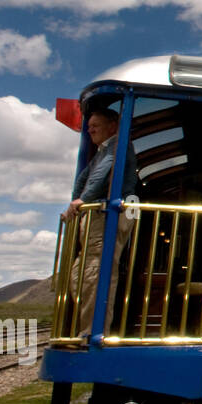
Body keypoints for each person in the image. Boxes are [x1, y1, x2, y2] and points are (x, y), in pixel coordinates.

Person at [62, 108, 138, 337]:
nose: (90, 129)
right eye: (89, 126)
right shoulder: (103, 150)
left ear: (113, 126)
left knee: (96, 272)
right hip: (97, 214)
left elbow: (101, 174)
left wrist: (82, 200)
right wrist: (76, 203)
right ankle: (89, 329)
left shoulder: (117, 146)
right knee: (80, 275)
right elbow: (85, 177)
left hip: (108, 214)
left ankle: (94, 333)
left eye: (96, 125)